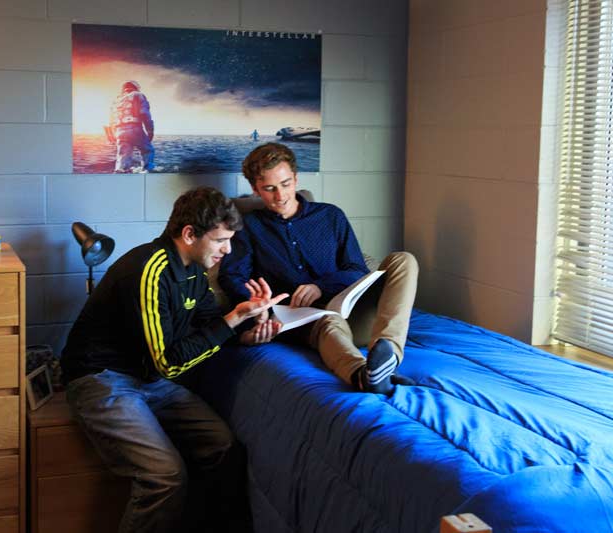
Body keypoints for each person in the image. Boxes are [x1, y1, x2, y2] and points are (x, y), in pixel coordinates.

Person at [60, 187, 287, 533]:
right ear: (189, 234)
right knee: (164, 476)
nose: (227, 250)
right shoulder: (149, 270)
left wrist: (248, 325)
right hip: (102, 378)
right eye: (220, 240)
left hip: (148, 378)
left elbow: (210, 327)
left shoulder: (195, 270)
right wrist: (230, 323)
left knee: (223, 447)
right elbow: (169, 363)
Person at [219, 142, 419, 394]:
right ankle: (363, 375)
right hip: (306, 321)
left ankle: (388, 354)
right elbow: (232, 277)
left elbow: (356, 268)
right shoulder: (248, 227)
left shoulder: (331, 216)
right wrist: (259, 309)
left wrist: (319, 286)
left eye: (285, 184)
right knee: (328, 321)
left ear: (295, 178)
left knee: (404, 259)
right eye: (269, 189)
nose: (280, 196)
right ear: (255, 188)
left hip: (358, 316)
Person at [109, 80, 155, 173]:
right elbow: (145, 114)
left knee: (123, 156)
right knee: (147, 150)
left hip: (119, 131)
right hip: (134, 128)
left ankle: (121, 171)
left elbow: (111, 120)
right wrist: (150, 131)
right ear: (136, 87)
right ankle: (147, 172)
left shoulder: (117, 100)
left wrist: (113, 135)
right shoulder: (138, 95)